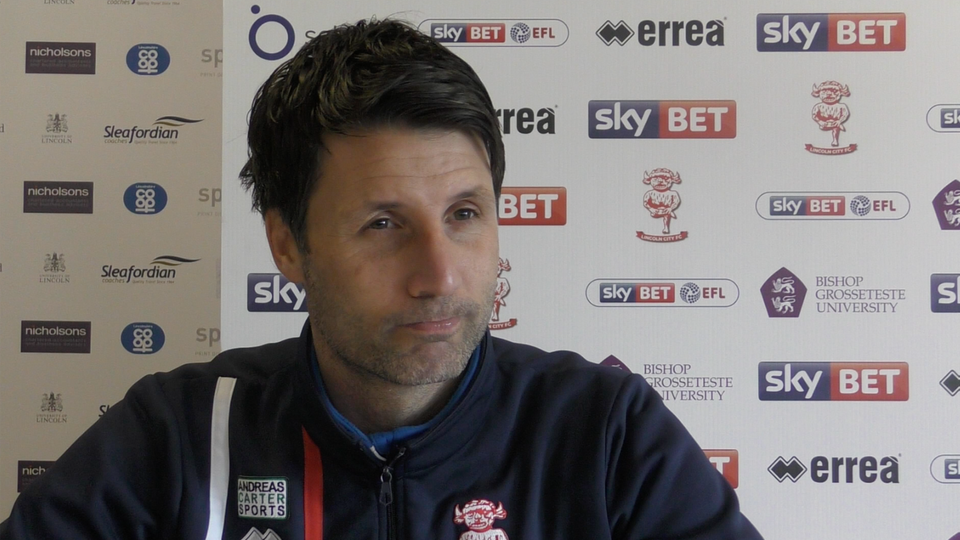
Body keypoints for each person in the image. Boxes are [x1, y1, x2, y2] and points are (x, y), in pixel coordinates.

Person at [0, 19, 763, 539]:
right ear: (288, 246)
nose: (439, 275)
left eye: (464, 214)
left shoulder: (605, 434)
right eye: (384, 224)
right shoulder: (179, 431)